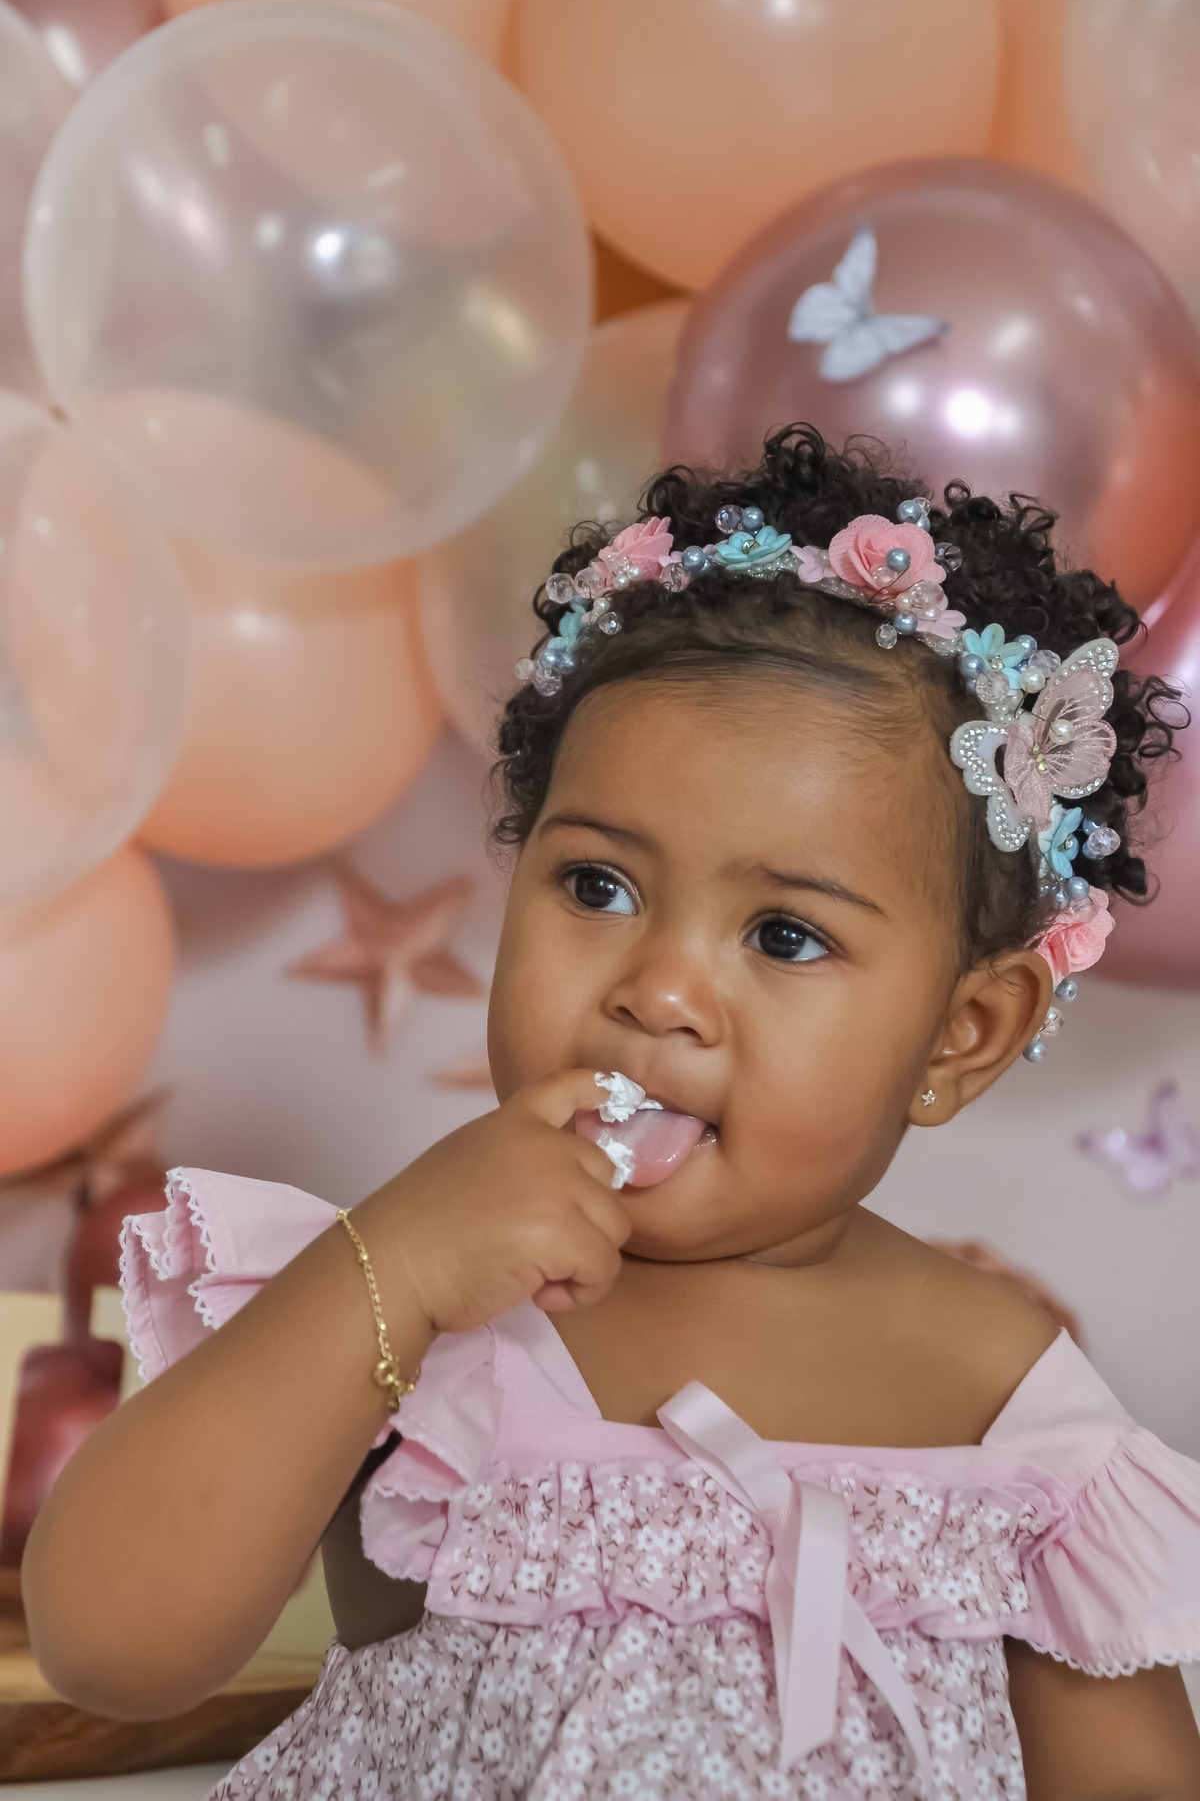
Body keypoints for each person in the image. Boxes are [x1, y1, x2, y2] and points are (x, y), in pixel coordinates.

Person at [23, 426, 1200, 1800]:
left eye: (784, 935)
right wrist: (383, 1270)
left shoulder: (996, 1382)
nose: (660, 991)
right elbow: (109, 1647)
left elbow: (1127, 1779)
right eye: (598, 887)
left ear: (963, 1032)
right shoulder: (421, 1295)